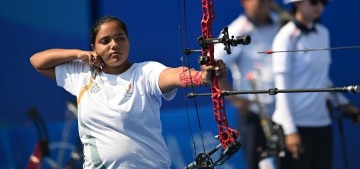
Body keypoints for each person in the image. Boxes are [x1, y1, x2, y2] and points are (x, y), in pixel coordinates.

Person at [30, 15, 227, 168]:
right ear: (94, 47)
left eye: (120, 38)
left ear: (128, 41)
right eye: (105, 41)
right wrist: (77, 54)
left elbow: (175, 75)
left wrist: (202, 77)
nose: (114, 45)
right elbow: (37, 62)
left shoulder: (146, 72)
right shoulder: (81, 74)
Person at [271, 0, 360, 169]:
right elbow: (281, 88)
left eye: (323, 0)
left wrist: (344, 105)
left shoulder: (323, 33)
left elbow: (323, 80)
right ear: (297, 3)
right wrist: (290, 130)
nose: (319, 5)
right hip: (296, 127)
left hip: (322, 122)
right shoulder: (285, 38)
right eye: (313, 0)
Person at [214, 0, 284, 169]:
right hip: (255, 116)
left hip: (284, 111)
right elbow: (210, 66)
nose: (267, 1)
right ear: (244, 0)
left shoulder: (281, 23)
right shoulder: (237, 30)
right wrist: (234, 98)